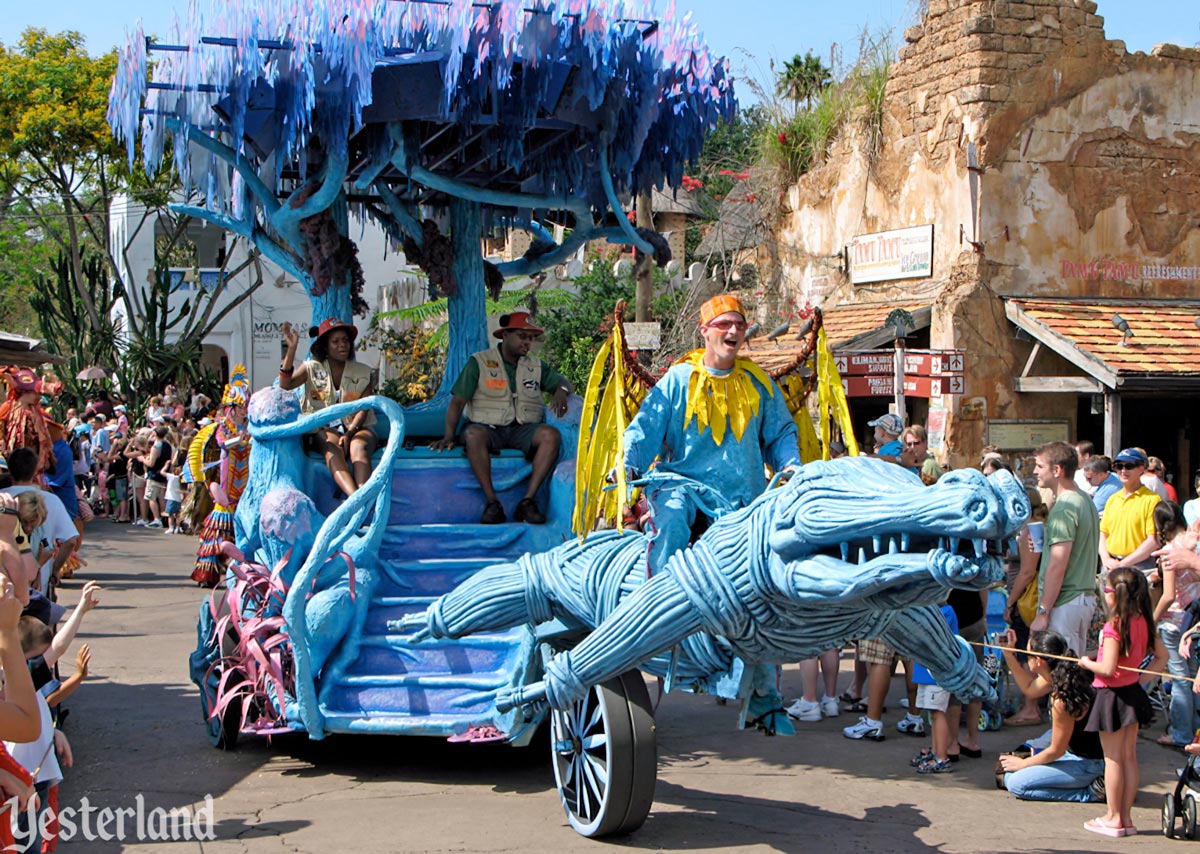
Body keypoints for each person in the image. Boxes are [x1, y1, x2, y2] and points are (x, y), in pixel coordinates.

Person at [621, 293, 801, 734]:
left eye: (739, 325)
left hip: (741, 502)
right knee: (676, 518)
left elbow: (781, 433)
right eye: (724, 325)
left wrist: (790, 464)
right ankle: (661, 613)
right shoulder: (679, 380)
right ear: (704, 331)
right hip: (684, 487)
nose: (733, 332)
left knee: (764, 580)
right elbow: (645, 429)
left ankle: (764, 692)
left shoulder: (759, 384)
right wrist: (630, 463)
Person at [431, 312, 570, 524]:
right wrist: (448, 436)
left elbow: (564, 383)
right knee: (473, 435)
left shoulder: (536, 365)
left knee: (550, 435)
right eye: (522, 336)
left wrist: (561, 391)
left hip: (521, 429)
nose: (527, 342)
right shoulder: (479, 362)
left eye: (530, 338)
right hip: (488, 428)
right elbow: (457, 402)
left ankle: (527, 501)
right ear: (505, 335)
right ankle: (492, 503)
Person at [1078, 567, 1167, 837]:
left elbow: (1107, 668)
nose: (1104, 594)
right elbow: (1161, 657)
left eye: (1106, 590)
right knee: (1129, 758)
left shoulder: (1113, 627)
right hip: (1130, 694)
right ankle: (1125, 818)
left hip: (1111, 696)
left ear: (1115, 595)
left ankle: (1113, 817)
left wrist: (1086, 663)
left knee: (1113, 760)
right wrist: (1137, 680)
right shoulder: (1143, 621)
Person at [998, 630, 1105, 803]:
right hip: (1077, 748)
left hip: (1088, 762)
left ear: (1039, 661)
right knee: (1016, 761)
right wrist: (1009, 655)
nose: (1026, 657)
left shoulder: (1061, 699)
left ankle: (1093, 792)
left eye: (1028, 653)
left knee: (1015, 782)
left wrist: (1024, 764)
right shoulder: (1060, 672)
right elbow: (1030, 689)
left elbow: (1057, 750)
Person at [280, 318, 378, 497]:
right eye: (336, 341)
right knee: (330, 445)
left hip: (358, 427)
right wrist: (292, 349)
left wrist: (350, 432)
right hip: (324, 428)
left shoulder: (363, 372)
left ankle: (364, 497)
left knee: (358, 447)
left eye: (345, 341)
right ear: (325, 346)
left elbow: (364, 407)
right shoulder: (311, 368)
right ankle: (355, 500)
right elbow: (286, 384)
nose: (342, 345)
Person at [1028, 441, 1099, 657]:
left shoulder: (1064, 507)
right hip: (1081, 598)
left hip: (1065, 601)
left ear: (1057, 470)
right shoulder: (1084, 500)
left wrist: (1043, 611)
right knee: (1073, 671)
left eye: (1040, 466)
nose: (1034, 471)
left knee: (1062, 674)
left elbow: (1058, 563)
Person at [192, 372, 251, 587]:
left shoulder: (249, 426)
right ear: (231, 408)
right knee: (219, 528)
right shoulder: (224, 426)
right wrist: (241, 440)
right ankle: (208, 572)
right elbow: (224, 444)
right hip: (227, 481)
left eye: (246, 406)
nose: (244, 410)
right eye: (241, 406)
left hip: (245, 481)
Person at [1150, 501, 1199, 748]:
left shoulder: (1171, 551)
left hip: (1175, 623)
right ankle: (1195, 732)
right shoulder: (1195, 546)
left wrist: (1152, 619)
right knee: (1194, 678)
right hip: (1195, 622)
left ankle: (1181, 733)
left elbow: (1168, 595)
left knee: (1180, 679)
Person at [908, 601, 959, 774]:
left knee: (938, 713)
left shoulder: (945, 612)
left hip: (937, 673)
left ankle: (942, 757)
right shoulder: (927, 610)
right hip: (926, 671)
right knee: (933, 714)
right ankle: (936, 751)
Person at [1098, 447, 1160, 576]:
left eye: (1129, 466)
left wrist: (1122, 564)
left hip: (1139, 566)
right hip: (1110, 564)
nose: (1123, 471)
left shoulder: (1152, 500)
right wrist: (1106, 559)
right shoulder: (1113, 499)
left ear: (1142, 468)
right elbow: (1103, 533)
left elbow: (1153, 540)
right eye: (1119, 466)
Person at [141, 425, 173, 528]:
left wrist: (142, 459)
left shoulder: (156, 446)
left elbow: (151, 463)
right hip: (162, 474)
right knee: (161, 497)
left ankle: (157, 519)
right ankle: (164, 517)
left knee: (151, 497)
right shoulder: (168, 445)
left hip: (154, 474)